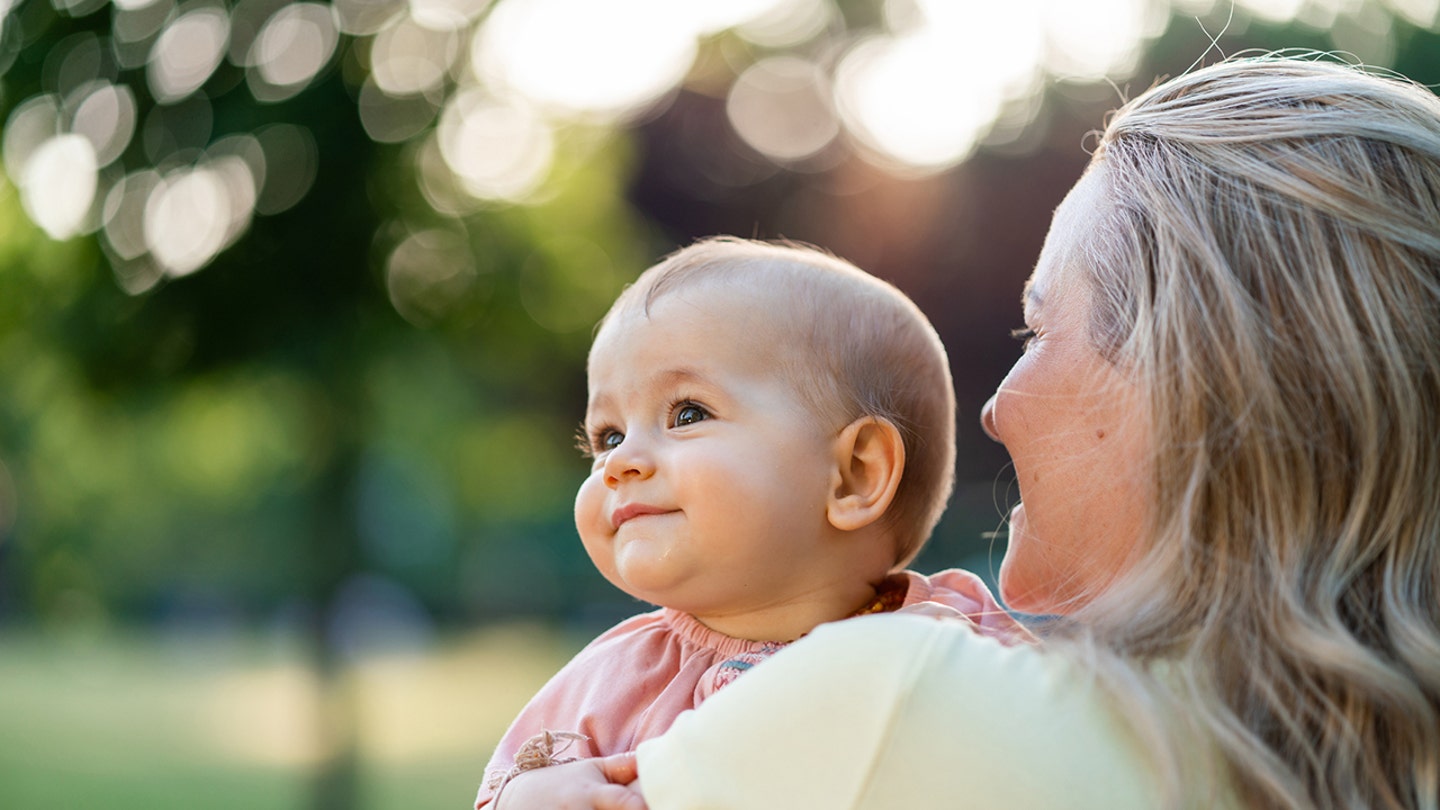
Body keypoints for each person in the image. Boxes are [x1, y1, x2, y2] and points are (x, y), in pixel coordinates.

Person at [494, 54, 1440, 810]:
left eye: (1039, 329)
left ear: (1195, 385)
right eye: (603, 437)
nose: (992, 405)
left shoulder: (894, 697)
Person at [476, 238, 1030, 808]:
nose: (619, 463)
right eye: (607, 436)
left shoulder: (959, 644)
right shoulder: (606, 689)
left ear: (854, 475)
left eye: (687, 413)